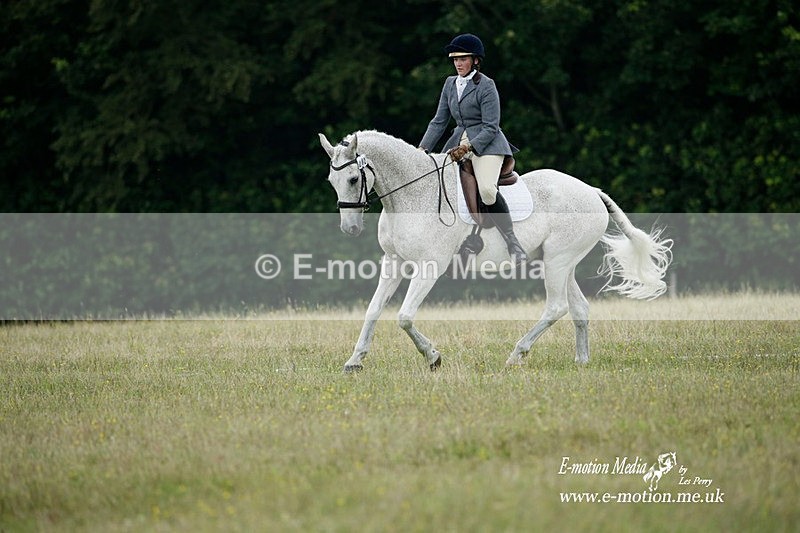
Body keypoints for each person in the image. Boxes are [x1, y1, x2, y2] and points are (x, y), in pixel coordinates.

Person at [418, 33, 527, 265]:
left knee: (487, 189)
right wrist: (422, 149)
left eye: (463, 59)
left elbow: (491, 126)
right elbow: (439, 121)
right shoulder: (449, 83)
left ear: (475, 60)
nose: (458, 63)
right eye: (455, 59)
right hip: (457, 141)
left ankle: (512, 242)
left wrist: (469, 146)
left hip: (487, 144)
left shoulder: (487, 86)